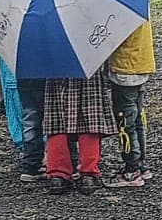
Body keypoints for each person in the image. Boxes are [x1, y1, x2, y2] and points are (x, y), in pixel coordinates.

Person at [43, 66, 115, 196]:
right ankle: (88, 175)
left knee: (57, 121)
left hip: (56, 70)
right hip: (88, 69)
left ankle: (57, 176)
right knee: (90, 121)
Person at [104, 20, 155, 188]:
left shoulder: (122, 13)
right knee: (138, 119)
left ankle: (131, 168)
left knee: (126, 123)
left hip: (125, 68)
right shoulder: (137, 2)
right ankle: (140, 163)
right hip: (141, 63)